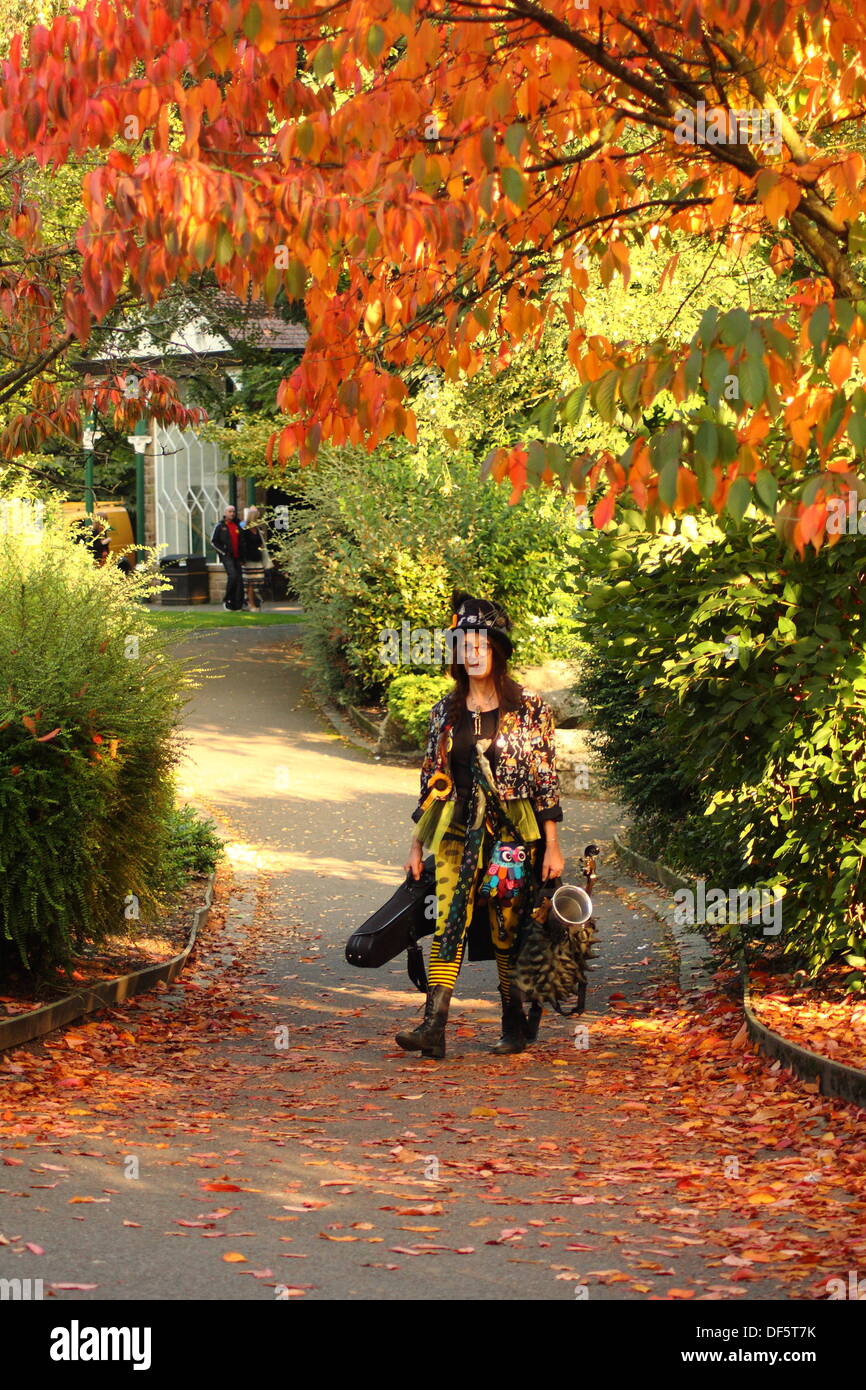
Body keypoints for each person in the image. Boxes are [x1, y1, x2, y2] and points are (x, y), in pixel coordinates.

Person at [396, 591, 565, 1061]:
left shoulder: (530, 707)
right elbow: (431, 782)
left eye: (480, 643)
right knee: (450, 921)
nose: (471, 652)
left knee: (507, 926)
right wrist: (415, 845)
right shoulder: (443, 713)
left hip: (512, 833)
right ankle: (433, 1026)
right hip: (453, 833)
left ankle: (514, 1024)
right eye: (463, 644)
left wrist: (551, 846)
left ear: (497, 650)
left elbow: (546, 778)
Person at [210, 505, 244, 611]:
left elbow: (242, 541)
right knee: (233, 575)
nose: (232, 513)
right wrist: (223, 552)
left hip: (237, 557)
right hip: (227, 556)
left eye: (233, 511)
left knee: (239, 579)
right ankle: (227, 600)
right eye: (230, 511)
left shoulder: (238, 525)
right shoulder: (220, 526)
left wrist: (243, 557)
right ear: (225, 513)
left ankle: (238, 604)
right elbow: (213, 541)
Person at [240, 506, 267, 612]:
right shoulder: (245, 529)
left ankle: (256, 602)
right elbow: (242, 544)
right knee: (250, 582)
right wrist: (242, 559)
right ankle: (250, 604)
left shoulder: (259, 529)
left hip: (258, 558)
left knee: (258, 581)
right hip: (248, 559)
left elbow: (262, 543)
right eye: (257, 516)